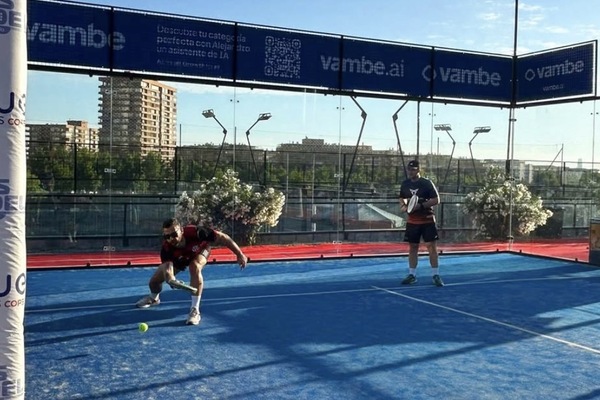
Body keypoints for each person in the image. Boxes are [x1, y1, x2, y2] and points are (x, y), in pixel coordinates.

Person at [135, 218, 248, 325]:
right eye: (167, 236)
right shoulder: (166, 248)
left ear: (181, 230)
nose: (171, 239)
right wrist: (172, 280)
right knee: (154, 282)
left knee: (194, 266)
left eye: (174, 234)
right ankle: (154, 298)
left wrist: (239, 254)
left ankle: (195, 310)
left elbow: (223, 237)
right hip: (179, 260)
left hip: (200, 251)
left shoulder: (197, 232)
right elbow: (168, 270)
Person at [399, 159, 444, 287]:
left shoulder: (426, 183)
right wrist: (404, 206)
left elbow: (436, 200)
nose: (410, 172)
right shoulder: (405, 184)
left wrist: (421, 206)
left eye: (413, 169)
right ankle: (412, 275)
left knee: (431, 247)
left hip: (427, 219)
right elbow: (402, 198)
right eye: (409, 169)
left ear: (418, 170)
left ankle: (435, 275)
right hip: (412, 221)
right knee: (413, 247)